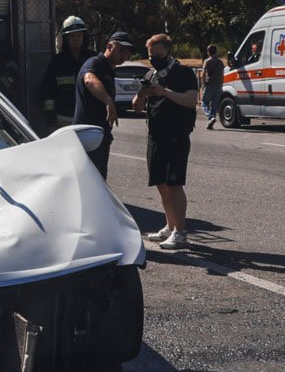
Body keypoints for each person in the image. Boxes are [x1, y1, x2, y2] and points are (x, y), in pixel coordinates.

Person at [135, 34, 199, 249]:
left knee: (174, 184)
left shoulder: (184, 73)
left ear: (168, 51)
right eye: (150, 56)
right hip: (156, 136)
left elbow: (191, 101)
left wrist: (164, 92)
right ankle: (170, 226)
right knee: (161, 184)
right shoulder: (151, 74)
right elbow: (136, 107)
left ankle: (180, 232)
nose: (154, 60)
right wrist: (142, 94)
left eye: (158, 55)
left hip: (176, 136)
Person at [73, 31, 134, 178]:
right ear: (109, 46)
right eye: (121, 50)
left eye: (127, 52)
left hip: (100, 136)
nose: (124, 55)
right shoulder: (95, 63)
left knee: (98, 180)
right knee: (90, 182)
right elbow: (89, 79)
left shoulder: (109, 70)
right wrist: (108, 100)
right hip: (88, 136)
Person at [40, 16, 96, 130]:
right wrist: (50, 116)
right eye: (72, 36)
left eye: (79, 35)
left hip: (89, 119)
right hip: (63, 122)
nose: (76, 39)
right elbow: (48, 89)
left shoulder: (93, 59)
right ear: (66, 38)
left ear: (84, 37)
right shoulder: (58, 61)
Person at [200, 44, 224, 129]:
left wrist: (203, 84)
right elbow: (222, 75)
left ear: (208, 52)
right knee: (214, 104)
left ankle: (210, 117)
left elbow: (203, 74)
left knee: (204, 102)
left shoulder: (207, 61)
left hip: (209, 84)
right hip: (218, 85)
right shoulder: (220, 62)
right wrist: (221, 85)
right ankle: (211, 119)